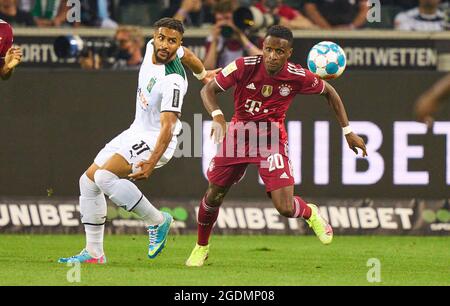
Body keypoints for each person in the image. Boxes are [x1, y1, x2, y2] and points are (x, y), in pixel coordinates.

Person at [186, 25, 368, 267]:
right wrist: (218, 116)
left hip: (271, 139)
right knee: (214, 195)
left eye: (279, 51)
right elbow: (208, 90)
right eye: (268, 49)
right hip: (239, 135)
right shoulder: (244, 66)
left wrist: (348, 130)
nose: (272, 56)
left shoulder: (297, 75)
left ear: (288, 53)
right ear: (263, 47)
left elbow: (330, 92)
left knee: (284, 207)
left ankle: (309, 212)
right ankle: (201, 247)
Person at [58, 18, 220, 264]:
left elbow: (168, 126)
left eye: (172, 41)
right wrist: (202, 75)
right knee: (88, 181)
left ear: (179, 43)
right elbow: (190, 57)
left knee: (105, 177)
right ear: (154, 36)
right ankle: (94, 253)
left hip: (157, 140)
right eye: (161, 38)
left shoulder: (173, 81)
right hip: (136, 131)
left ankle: (158, 221)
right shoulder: (151, 47)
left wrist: (152, 162)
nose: (165, 45)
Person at [203, 0, 262, 70]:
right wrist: (214, 42)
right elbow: (208, 68)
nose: (223, 23)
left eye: (227, 18)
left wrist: (241, 37)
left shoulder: (251, 36)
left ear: (236, 18)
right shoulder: (214, 40)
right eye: (219, 20)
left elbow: (261, 61)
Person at [80, 26, 145, 70]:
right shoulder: (117, 66)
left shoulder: (146, 68)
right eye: (117, 42)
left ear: (137, 43)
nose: (119, 46)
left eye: (123, 42)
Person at [303, 0, 369, 29]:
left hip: (353, 31)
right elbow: (310, 8)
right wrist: (328, 29)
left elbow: (365, 8)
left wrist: (352, 27)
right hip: (322, 31)